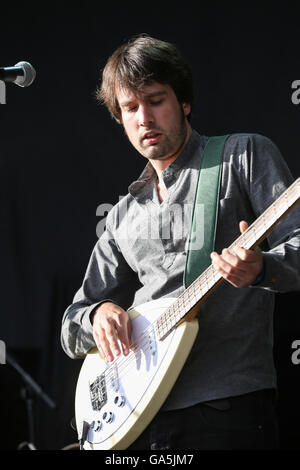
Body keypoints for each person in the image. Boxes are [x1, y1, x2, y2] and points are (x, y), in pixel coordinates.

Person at [61, 34, 300, 450]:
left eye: (156, 100)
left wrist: (262, 269)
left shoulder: (242, 156)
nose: (144, 118)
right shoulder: (121, 216)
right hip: (136, 418)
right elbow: (71, 325)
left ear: (184, 102)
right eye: (130, 108)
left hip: (225, 406)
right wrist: (99, 313)